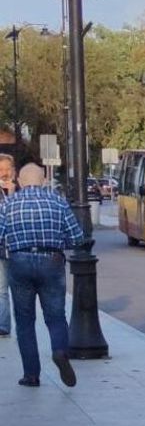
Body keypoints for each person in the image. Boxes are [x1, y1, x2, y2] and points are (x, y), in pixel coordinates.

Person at [0, 163, 83, 388]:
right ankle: (59, 351)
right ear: (44, 181)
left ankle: (31, 375)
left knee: (25, 320)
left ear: (19, 181)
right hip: (52, 261)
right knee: (56, 316)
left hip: (20, 262)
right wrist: (59, 243)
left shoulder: (8, 204)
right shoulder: (58, 201)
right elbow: (76, 236)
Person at [0, 152, 15, 339]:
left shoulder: (21, 188)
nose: (4, 173)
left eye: (7, 169)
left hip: (18, 247)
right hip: (2, 246)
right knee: (2, 288)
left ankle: (5, 324)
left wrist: (11, 193)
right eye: (1, 169)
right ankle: (3, 325)